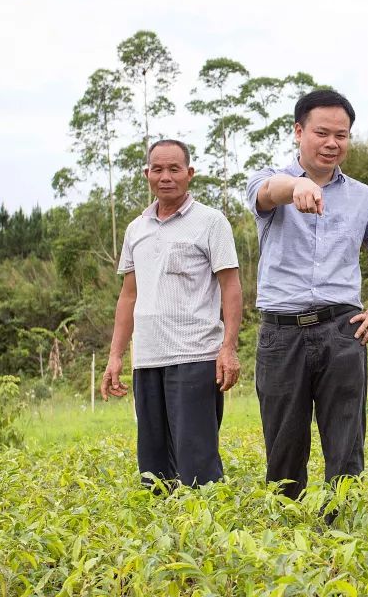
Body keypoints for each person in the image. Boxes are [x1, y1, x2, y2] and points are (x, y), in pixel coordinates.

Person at [246, 89, 368, 499]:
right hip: (281, 334)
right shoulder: (268, 180)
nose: (332, 143)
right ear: (298, 131)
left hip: (342, 329)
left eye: (342, 135)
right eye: (322, 133)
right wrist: (294, 188)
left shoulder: (363, 197)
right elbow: (267, 192)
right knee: (283, 443)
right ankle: (287, 528)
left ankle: (342, 522)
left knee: (346, 441)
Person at [101, 139, 242, 488]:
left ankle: (205, 536)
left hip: (195, 356)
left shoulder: (211, 222)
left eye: (174, 169)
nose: (166, 176)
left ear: (189, 173)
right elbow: (128, 296)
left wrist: (228, 347)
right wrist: (115, 356)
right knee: (154, 464)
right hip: (147, 359)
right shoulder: (136, 229)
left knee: (197, 463)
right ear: (147, 174)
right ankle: (162, 535)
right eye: (158, 169)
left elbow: (231, 287)